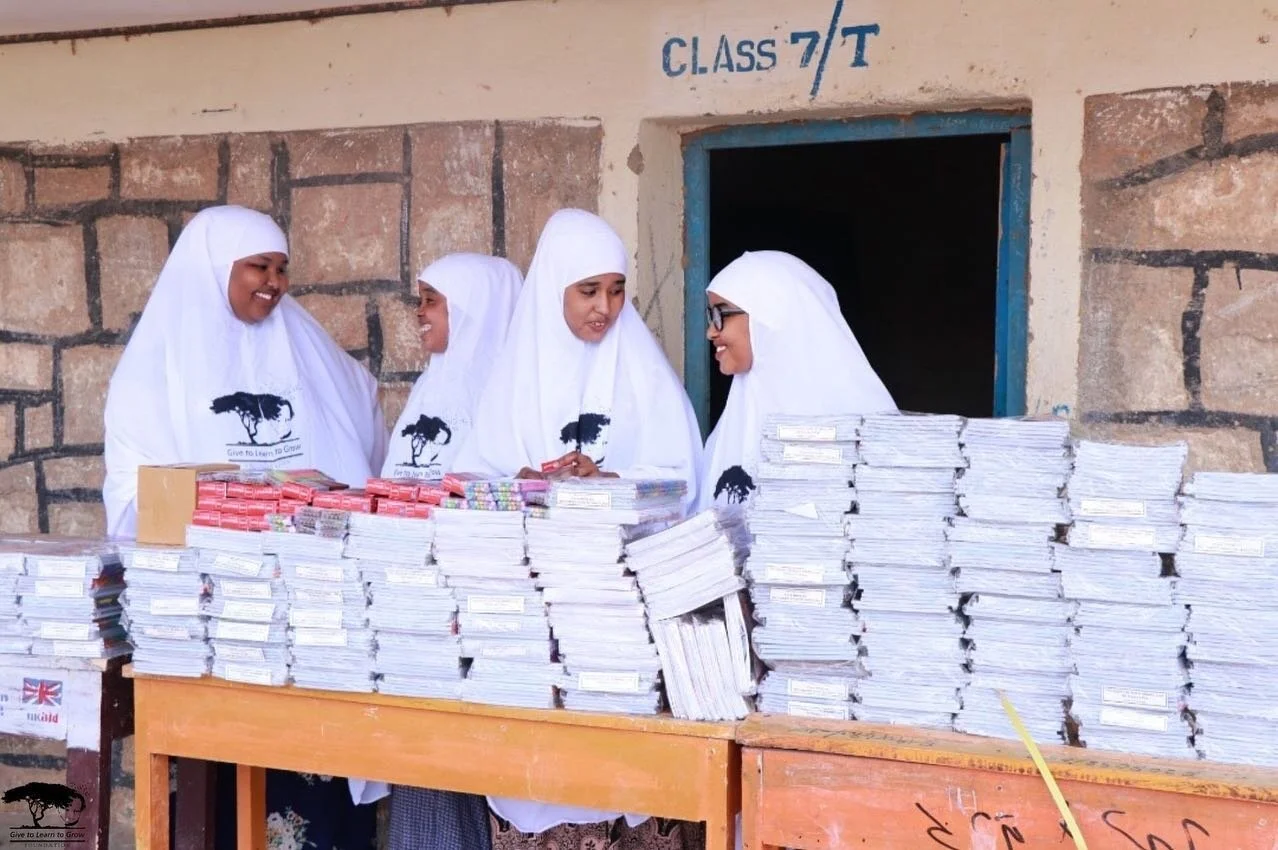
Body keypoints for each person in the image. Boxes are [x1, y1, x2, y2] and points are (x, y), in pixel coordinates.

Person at [102, 204, 387, 850]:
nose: (274, 282)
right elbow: (138, 494)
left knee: (313, 788)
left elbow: (362, 416)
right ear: (213, 269)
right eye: (258, 266)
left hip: (308, 626)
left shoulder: (302, 343)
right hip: (210, 626)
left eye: (282, 269)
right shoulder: (155, 369)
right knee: (216, 800)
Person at [452, 208, 704, 850]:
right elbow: (465, 492)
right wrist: (522, 484)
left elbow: (683, 487)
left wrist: (608, 483)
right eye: (588, 290)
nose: (607, 307)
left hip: (621, 635)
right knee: (544, 787)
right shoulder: (510, 386)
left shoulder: (643, 376)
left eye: (617, 290)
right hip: (533, 639)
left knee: (629, 794)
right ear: (552, 289)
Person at [348, 252, 522, 850]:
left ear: (470, 309)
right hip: (411, 622)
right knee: (424, 779)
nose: (419, 314)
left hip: (476, 626)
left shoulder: (507, 395)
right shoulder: (432, 388)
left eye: (431, 300)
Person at [699, 250, 897, 509]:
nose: (710, 331)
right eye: (709, 314)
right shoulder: (736, 417)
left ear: (771, 315)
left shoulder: (860, 421)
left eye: (721, 315)